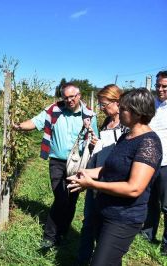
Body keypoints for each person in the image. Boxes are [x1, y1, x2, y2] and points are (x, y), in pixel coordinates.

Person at [67, 88, 162, 266]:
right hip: (105, 209)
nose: (119, 110)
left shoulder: (149, 143)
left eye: (124, 108)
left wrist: (92, 185)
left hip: (124, 218)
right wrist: (89, 173)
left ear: (137, 113)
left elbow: (134, 188)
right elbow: (111, 168)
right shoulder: (126, 136)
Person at [14, 83, 98, 248]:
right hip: (58, 162)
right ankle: (49, 236)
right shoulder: (53, 111)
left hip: (78, 163)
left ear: (79, 96)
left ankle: (63, 232)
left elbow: (95, 139)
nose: (69, 100)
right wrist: (17, 126)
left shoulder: (89, 115)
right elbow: (35, 122)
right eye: (65, 97)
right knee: (60, 198)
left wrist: (94, 144)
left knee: (71, 200)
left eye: (72, 97)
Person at [76, 84, 128, 265]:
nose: (101, 108)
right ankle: (83, 259)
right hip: (96, 174)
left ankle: (104, 258)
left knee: (104, 224)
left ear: (117, 102)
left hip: (111, 179)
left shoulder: (126, 125)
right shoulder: (107, 122)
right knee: (89, 220)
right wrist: (95, 144)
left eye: (104, 104)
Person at [141, 70, 167, 254]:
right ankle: (147, 233)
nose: (160, 89)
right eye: (158, 85)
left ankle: (166, 243)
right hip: (150, 162)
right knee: (150, 200)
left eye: (164, 86)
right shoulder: (151, 104)